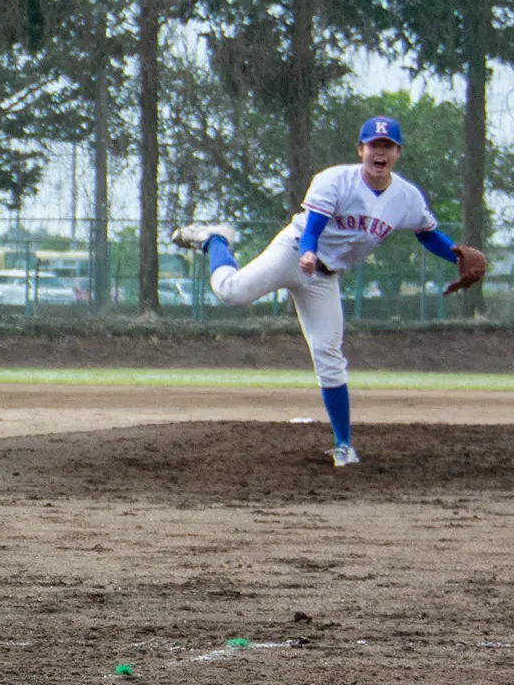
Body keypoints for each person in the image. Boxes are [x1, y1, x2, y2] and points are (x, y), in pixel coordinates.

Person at [172, 115, 486, 467]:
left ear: (397, 152)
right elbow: (314, 227)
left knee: (329, 356)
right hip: (292, 253)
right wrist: (307, 251)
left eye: (387, 146)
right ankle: (215, 239)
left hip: (324, 277)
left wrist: (453, 253)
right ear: (361, 149)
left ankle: (343, 446)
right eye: (373, 145)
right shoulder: (335, 180)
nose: (379, 152)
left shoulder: (406, 197)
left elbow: (425, 231)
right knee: (232, 292)